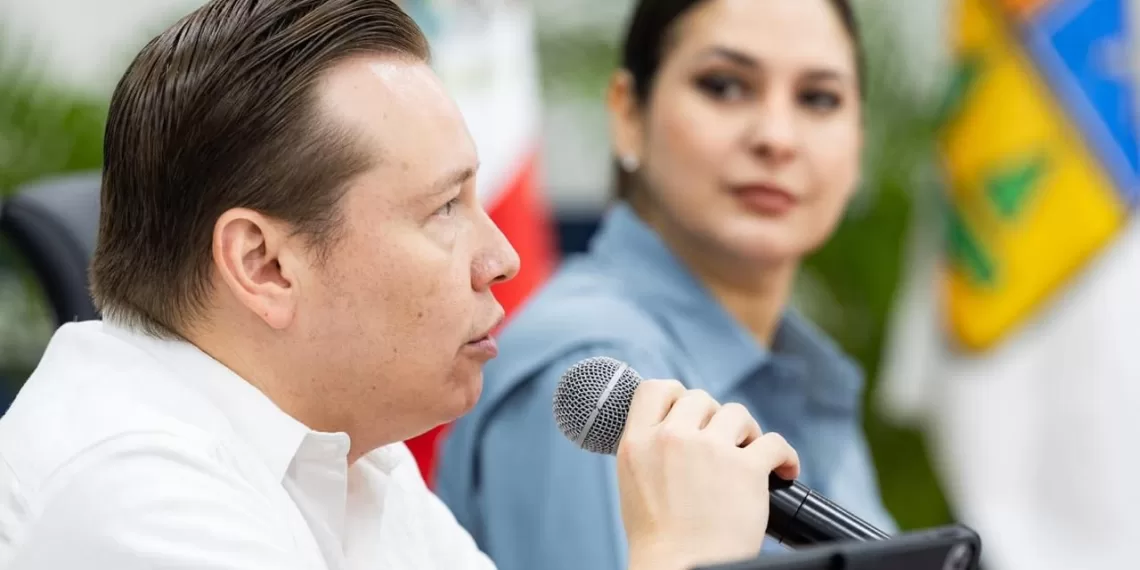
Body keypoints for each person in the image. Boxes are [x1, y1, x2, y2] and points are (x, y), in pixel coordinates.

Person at [0, 1, 803, 569]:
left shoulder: (347, 452)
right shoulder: (131, 491)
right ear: (263, 265)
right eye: (444, 209)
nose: (503, 258)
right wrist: (681, 556)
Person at [436, 0, 898, 568]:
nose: (777, 137)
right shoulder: (599, 373)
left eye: (818, 99)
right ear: (629, 113)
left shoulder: (798, 369)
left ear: (859, 142)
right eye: (725, 85)